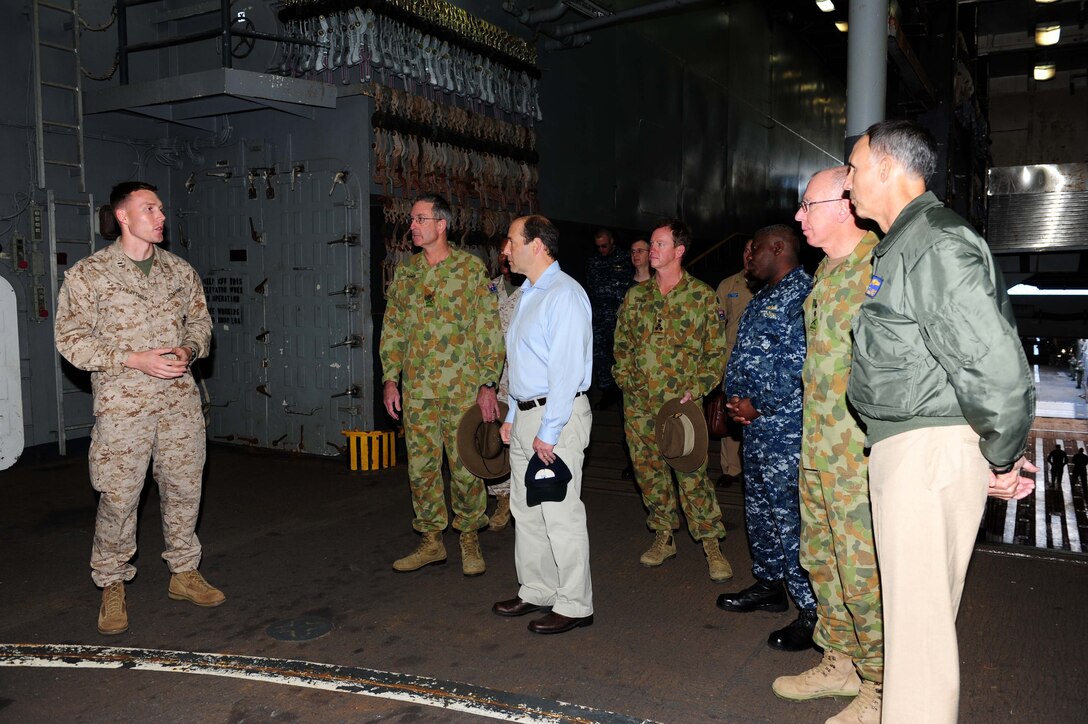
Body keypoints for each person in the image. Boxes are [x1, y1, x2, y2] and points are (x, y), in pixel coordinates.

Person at [844, 119, 1036, 723]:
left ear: (887, 167)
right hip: (916, 448)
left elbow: (995, 365)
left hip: (927, 454)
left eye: (852, 167)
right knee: (915, 626)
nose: (848, 182)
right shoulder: (908, 242)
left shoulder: (932, 242)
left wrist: (999, 456)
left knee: (919, 637)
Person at [54, 181, 223, 636]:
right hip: (124, 407)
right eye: (150, 208)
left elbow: (201, 323)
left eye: (162, 208)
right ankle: (111, 582)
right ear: (123, 216)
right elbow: (70, 340)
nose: (161, 215)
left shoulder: (180, 272)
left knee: (185, 488)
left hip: (179, 404)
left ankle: (184, 573)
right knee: (119, 496)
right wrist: (132, 358)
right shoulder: (89, 275)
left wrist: (190, 349)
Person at [771, 167, 883, 723]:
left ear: (843, 205)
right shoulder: (826, 270)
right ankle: (841, 660)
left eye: (807, 205)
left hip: (858, 456)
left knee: (864, 571)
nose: (799, 216)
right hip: (818, 448)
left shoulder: (880, 266)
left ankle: (885, 685)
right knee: (823, 561)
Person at [380, 193, 504, 577]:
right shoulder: (407, 273)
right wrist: (389, 379)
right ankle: (431, 540)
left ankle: (469, 536)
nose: (412, 226)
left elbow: (488, 330)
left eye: (419, 219)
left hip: (462, 390)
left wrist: (488, 384)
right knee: (421, 468)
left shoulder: (470, 270)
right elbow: (394, 329)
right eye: (413, 220)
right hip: (417, 391)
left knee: (466, 466)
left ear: (441, 224)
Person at [492, 214, 595, 635]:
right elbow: (525, 365)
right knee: (527, 509)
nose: (505, 249)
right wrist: (514, 417)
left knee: (560, 512)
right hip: (528, 414)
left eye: (512, 241)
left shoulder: (564, 295)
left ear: (537, 245)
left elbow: (566, 373)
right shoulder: (530, 293)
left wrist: (547, 432)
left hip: (558, 415)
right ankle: (537, 588)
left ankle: (574, 603)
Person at [613, 219, 732, 582]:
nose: (652, 249)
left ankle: (711, 542)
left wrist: (696, 388)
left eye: (659, 244)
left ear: (679, 251)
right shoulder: (637, 297)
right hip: (640, 405)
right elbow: (621, 347)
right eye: (651, 243)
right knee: (648, 473)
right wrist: (627, 380)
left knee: (691, 475)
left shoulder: (701, 296)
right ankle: (663, 535)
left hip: (680, 406)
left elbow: (716, 352)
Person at [717, 224, 816, 651]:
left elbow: (801, 363)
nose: (748, 257)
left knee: (790, 518)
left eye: (754, 249)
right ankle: (771, 584)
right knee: (759, 510)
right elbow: (745, 354)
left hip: (785, 429)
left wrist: (759, 404)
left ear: (778, 249)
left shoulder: (803, 294)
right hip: (756, 429)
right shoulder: (765, 296)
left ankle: (812, 610)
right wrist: (736, 400)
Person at [483, 253, 525, 531]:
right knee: (493, 438)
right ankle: (502, 498)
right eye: (502, 258)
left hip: (522, 377)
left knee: (523, 440)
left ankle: (523, 498)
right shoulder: (488, 289)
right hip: (493, 376)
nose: (506, 262)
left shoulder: (532, 289)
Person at [714, 239, 757, 488]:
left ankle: (754, 469)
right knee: (732, 415)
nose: (748, 254)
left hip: (761, 364)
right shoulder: (729, 285)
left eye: (754, 249)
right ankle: (730, 468)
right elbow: (717, 325)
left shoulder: (770, 284)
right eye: (745, 249)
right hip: (733, 361)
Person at [585, 228, 632, 408]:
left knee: (620, 355)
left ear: (612, 241)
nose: (601, 250)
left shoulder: (625, 259)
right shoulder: (593, 262)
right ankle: (607, 392)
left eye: (604, 246)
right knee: (600, 357)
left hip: (619, 318)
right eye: (598, 247)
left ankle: (622, 392)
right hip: (599, 318)